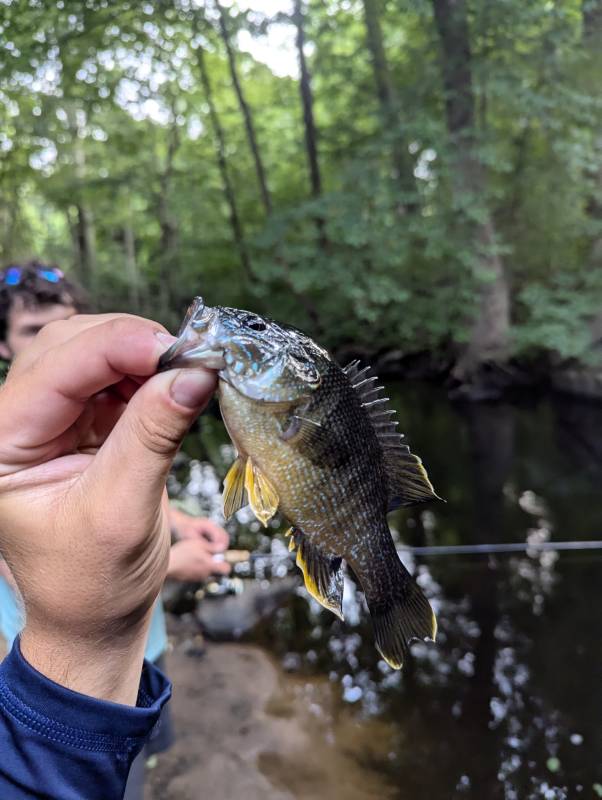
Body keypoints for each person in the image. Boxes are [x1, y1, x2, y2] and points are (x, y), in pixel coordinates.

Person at [0, 262, 230, 797]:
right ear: (5, 345)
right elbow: (22, 564)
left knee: (140, 759)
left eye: (68, 322)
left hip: (144, 650)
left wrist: (181, 522)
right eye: (32, 331)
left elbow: (120, 493)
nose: (53, 340)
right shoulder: (12, 433)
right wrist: (176, 566)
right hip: (54, 679)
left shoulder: (91, 401)